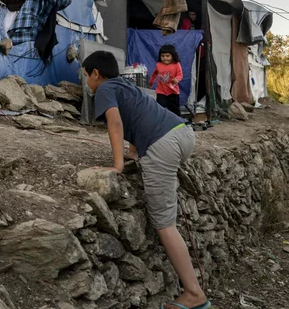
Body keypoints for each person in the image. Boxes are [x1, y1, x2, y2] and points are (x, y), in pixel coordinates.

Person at [81, 51, 210, 309]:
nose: (86, 82)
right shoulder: (124, 85)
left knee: (164, 223)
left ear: (96, 74)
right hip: (181, 133)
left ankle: (194, 294)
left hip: (162, 145)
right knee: (166, 212)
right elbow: (136, 115)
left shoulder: (104, 89)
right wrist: (132, 152)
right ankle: (194, 291)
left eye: (86, 76)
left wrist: (117, 165)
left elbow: (115, 122)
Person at [149, 45, 184, 116]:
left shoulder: (176, 64)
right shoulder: (158, 65)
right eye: (163, 56)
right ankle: (161, 123)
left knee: (175, 109)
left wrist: (176, 79)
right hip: (161, 91)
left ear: (173, 56)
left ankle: (178, 122)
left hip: (173, 91)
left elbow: (180, 75)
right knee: (160, 108)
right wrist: (151, 82)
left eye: (167, 56)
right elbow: (154, 74)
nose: (165, 58)